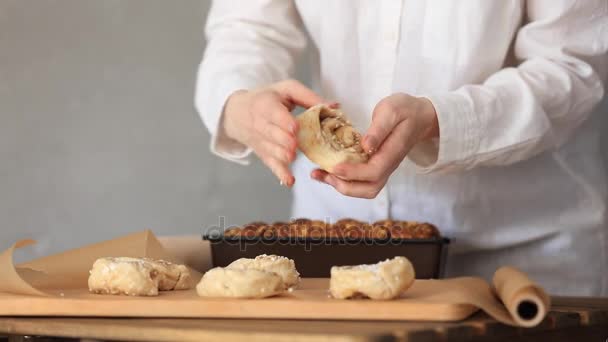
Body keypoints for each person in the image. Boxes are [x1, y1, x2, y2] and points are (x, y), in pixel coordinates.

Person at [195, 1, 608, 296]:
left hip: (521, 249)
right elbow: (246, 27)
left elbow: (572, 64)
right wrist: (240, 101)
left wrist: (440, 119)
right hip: (331, 246)